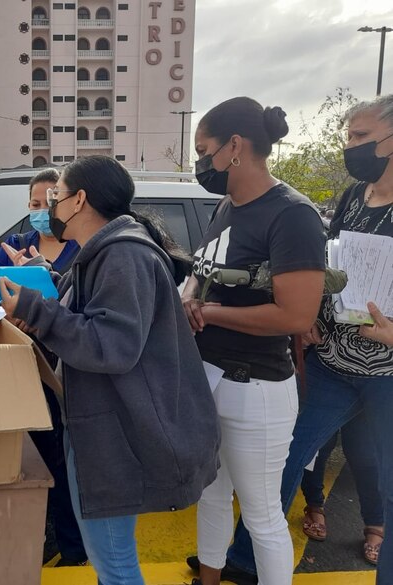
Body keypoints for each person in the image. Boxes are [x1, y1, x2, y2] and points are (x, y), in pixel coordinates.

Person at [0, 155, 221, 585]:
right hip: (104, 425)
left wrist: (33, 308)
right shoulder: (101, 252)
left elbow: (111, 346)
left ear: (79, 200)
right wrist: (38, 293)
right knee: (112, 558)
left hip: (115, 432)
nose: (50, 207)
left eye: (55, 196)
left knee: (115, 565)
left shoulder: (122, 256)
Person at [215, 95, 393, 585]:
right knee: (284, 461)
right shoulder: (355, 197)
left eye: (361, 136)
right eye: (349, 136)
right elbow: (324, 267)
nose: (350, 146)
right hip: (332, 363)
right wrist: (310, 311)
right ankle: (246, 563)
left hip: (387, 373)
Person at [181, 97, 326, 585]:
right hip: (210, 376)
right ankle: (208, 578)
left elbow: (296, 313)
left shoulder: (292, 215)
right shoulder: (226, 206)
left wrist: (209, 312)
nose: (200, 163)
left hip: (257, 387)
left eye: (204, 151)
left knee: (262, 515)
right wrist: (190, 294)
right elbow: (204, 274)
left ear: (234, 147)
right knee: (211, 494)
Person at [0, 168, 87, 566]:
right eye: (33, 204)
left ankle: (72, 546)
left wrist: (42, 283)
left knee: (64, 459)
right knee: (27, 456)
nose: (40, 211)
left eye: (47, 203)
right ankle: (38, 532)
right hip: (16, 365)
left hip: (61, 368)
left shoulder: (82, 249)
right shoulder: (14, 244)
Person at [299, 413, 383, 565]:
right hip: (325, 391)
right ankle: (314, 506)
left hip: (364, 393)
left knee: (365, 453)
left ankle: (375, 522)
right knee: (317, 447)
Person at [0, 168, 80, 275]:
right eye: (36, 205)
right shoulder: (15, 245)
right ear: (29, 206)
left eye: (50, 203)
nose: (43, 210)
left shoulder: (81, 247)